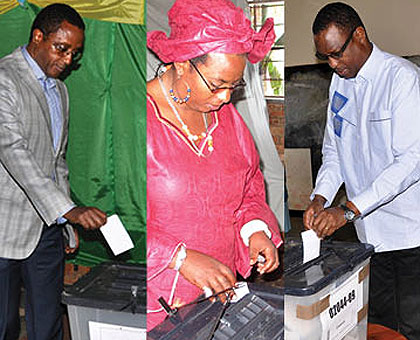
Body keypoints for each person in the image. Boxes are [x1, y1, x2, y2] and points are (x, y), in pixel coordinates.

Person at [147, 0, 282, 330]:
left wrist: (253, 230)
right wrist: (178, 258)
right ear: (181, 63)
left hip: (217, 296)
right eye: (217, 84)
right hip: (158, 304)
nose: (225, 98)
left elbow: (249, 187)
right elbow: (115, 217)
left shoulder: (229, 122)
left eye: (234, 86)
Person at [303, 2, 420, 339]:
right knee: (379, 324)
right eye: (325, 57)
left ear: (360, 35)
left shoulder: (401, 79)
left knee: (412, 326)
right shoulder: (339, 84)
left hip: (409, 235)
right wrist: (320, 197)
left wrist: (348, 210)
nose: (333, 64)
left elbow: (411, 162)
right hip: (369, 236)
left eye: (337, 54)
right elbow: (334, 152)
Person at [0, 4, 107, 339]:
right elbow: (13, 151)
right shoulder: (4, 79)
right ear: (37, 37)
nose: (67, 60)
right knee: (3, 325)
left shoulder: (59, 90)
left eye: (74, 53)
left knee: (47, 324)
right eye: (62, 48)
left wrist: (65, 223)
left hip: (47, 230)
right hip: (5, 229)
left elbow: (56, 161)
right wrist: (69, 209)